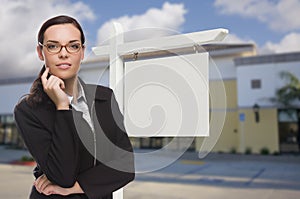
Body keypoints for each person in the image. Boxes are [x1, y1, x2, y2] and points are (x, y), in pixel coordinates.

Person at [14, 15, 135, 199]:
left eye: (73, 46)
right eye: (53, 46)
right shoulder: (28, 110)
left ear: (82, 51)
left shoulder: (105, 98)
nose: (64, 53)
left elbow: (126, 166)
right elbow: (63, 175)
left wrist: (78, 186)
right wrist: (63, 106)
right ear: (41, 52)